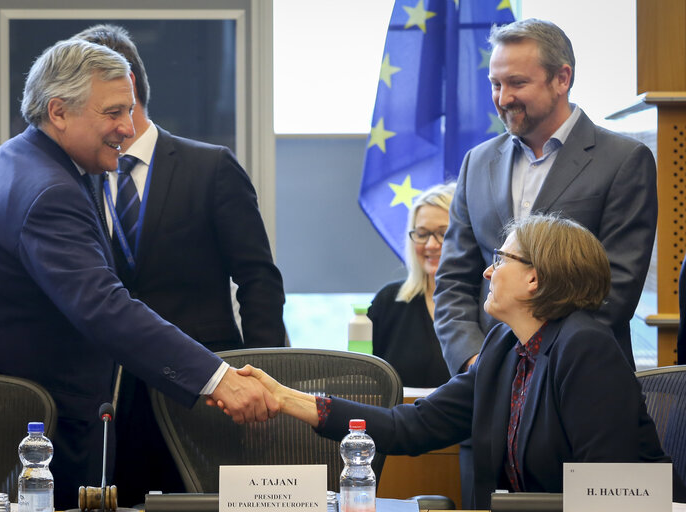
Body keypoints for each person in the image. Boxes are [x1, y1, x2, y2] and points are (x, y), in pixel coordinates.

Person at [0, 39, 278, 510]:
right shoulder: (48, 190)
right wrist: (218, 379)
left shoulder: (13, 160)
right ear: (59, 112)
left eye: (130, 111)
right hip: (8, 429)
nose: (127, 128)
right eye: (113, 113)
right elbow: (104, 307)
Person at [234, 214, 686, 509]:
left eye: (501, 258)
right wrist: (285, 397)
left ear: (536, 277)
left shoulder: (585, 347)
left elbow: (606, 494)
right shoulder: (504, 347)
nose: (488, 271)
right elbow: (409, 426)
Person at [433, 20, 657, 507]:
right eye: (495, 83)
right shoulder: (477, 161)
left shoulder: (624, 160)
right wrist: (483, 363)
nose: (502, 97)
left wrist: (535, 367)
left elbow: (613, 288)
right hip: (488, 394)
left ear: (562, 78)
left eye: (517, 83)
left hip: (574, 400)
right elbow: (452, 281)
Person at [70, 24, 286, 504]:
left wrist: (261, 379)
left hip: (205, 390)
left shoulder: (210, 167)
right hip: (109, 396)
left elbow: (258, 280)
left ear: (125, 88)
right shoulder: (77, 177)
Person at [368, 183, 454, 388]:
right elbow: (364, 381)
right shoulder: (388, 301)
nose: (431, 245)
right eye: (422, 234)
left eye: (443, 233)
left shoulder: (487, 305)